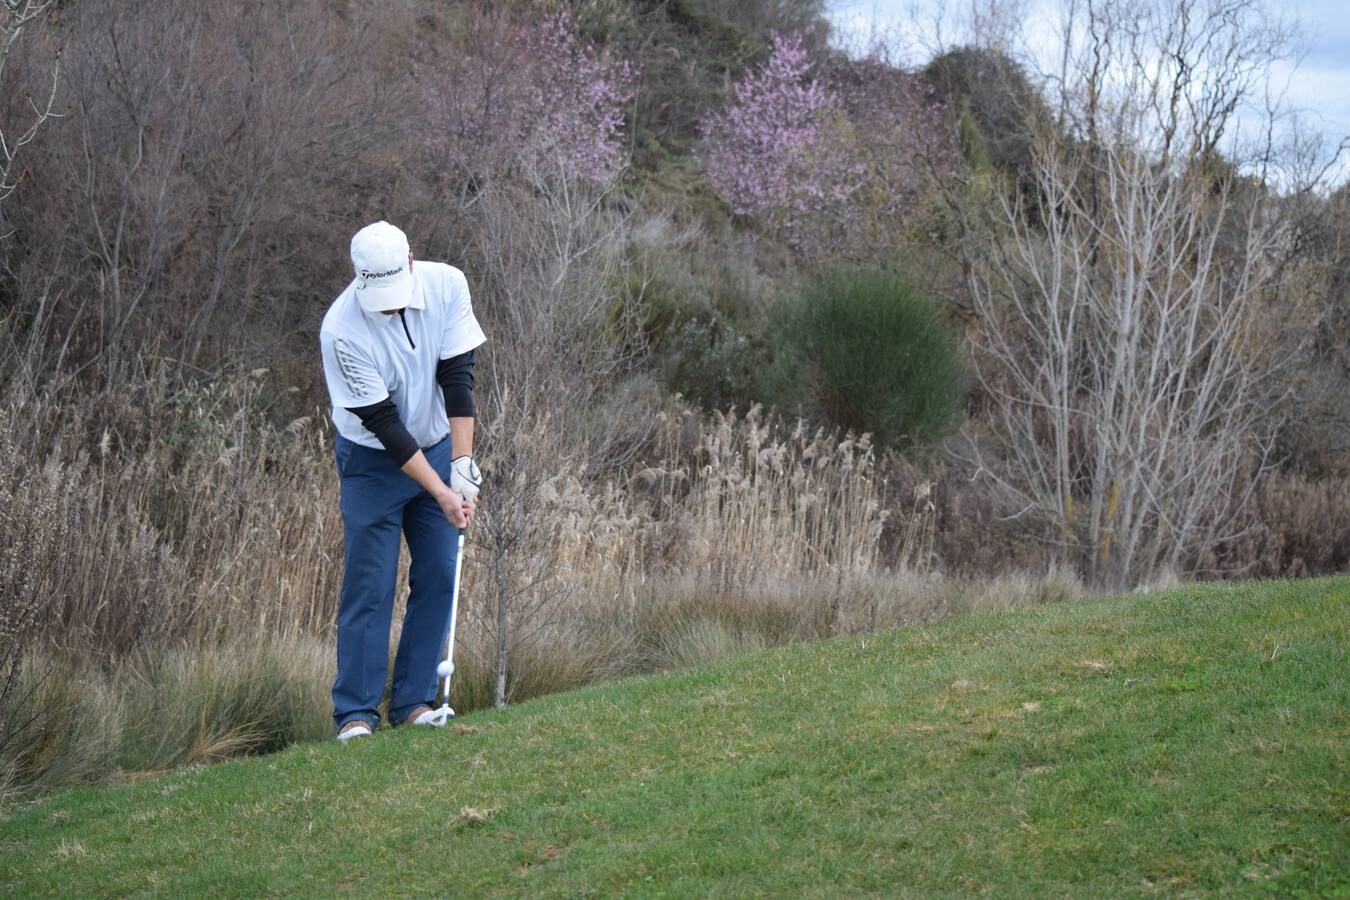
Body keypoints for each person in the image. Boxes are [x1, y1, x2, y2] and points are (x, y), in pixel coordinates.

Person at [319, 220, 486, 741]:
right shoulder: (341, 329)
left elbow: (457, 379)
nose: (389, 306)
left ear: (411, 261)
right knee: (371, 582)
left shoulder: (447, 284)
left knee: (439, 571)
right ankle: (356, 715)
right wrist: (438, 491)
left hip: (438, 446)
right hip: (372, 461)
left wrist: (460, 466)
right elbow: (385, 425)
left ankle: (414, 704)